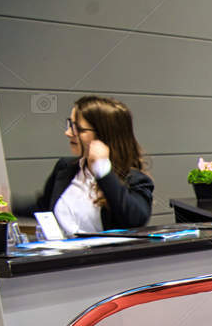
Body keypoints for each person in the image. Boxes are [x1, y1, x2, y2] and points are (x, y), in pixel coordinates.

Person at [37, 96, 152, 235]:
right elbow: (42, 207)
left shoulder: (135, 179)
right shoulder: (65, 167)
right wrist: (8, 205)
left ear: (103, 135)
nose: (68, 133)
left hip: (102, 256)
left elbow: (135, 220)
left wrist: (102, 170)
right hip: (62, 255)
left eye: (78, 129)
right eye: (70, 124)